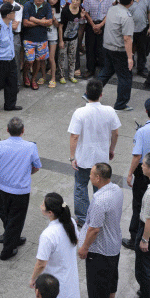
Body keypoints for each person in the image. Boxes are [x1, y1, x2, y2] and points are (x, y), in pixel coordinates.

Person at [0, 117, 41, 260]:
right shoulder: (30, 147)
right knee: (17, 219)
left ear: (7, 130)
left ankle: (12, 236)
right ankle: (7, 251)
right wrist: (27, 173)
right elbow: (37, 167)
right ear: (23, 131)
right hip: (21, 191)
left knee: (8, 216)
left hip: (3, 188)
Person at [68, 79, 120, 227]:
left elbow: (74, 136)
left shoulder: (80, 113)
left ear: (86, 93)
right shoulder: (109, 111)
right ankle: (100, 215)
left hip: (83, 158)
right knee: (101, 188)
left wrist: (72, 157)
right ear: (101, 94)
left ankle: (83, 218)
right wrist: (111, 149)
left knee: (80, 187)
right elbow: (115, 133)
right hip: (101, 158)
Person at [78, 163, 123, 298]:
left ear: (98, 178)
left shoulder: (99, 200)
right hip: (114, 247)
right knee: (111, 284)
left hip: (100, 253)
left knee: (97, 290)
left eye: (91, 173)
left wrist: (84, 248)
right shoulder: (116, 189)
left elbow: (94, 229)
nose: (89, 176)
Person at [29, 193, 80, 298]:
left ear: (50, 212)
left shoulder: (48, 235)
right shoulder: (70, 222)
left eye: (43, 205)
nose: (40, 206)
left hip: (54, 285)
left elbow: (41, 264)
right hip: (71, 282)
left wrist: (33, 279)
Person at [96, 0, 135, 111]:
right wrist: (130, 58)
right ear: (132, 2)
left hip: (107, 47)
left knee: (107, 71)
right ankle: (120, 104)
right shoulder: (126, 16)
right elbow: (127, 38)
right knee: (125, 77)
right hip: (119, 50)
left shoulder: (112, 9)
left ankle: (90, 93)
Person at [124, 98, 150, 250]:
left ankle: (135, 238)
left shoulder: (142, 132)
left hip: (143, 171)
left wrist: (130, 174)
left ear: (146, 111)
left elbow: (137, 156)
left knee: (139, 206)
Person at [21, 0, 52, 90]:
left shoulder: (47, 6)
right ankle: (25, 75)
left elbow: (49, 22)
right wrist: (41, 22)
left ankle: (33, 79)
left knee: (38, 60)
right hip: (29, 38)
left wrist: (34, 20)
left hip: (42, 38)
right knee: (30, 61)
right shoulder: (27, 5)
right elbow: (25, 23)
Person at [83, 0, 112, 78]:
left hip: (103, 24)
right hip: (91, 24)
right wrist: (93, 25)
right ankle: (90, 69)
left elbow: (109, 12)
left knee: (102, 48)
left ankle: (102, 69)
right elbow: (86, 12)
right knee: (90, 48)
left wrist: (100, 25)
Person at [58, 0, 85, 85]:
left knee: (72, 57)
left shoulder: (80, 9)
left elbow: (79, 21)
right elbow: (60, 26)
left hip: (74, 37)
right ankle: (61, 76)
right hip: (65, 38)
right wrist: (61, 40)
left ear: (81, 2)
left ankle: (71, 75)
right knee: (62, 57)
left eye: (77, 0)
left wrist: (81, 16)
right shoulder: (65, 10)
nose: (75, 2)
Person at [135, 152, 150, 297]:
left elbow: (149, 219)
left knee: (143, 265)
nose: (142, 166)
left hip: (146, 229)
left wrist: (144, 240)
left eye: (144, 164)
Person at [129, 0, 150, 78]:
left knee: (142, 50)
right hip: (129, 30)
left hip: (142, 29)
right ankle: (128, 68)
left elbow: (149, 12)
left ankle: (141, 68)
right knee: (130, 50)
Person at [40, 0, 61, 88]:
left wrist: (53, 17)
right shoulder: (43, 7)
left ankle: (53, 78)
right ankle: (43, 76)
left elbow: (58, 25)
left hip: (53, 37)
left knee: (51, 58)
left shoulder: (59, 10)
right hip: (43, 36)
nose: (52, 0)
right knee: (42, 58)